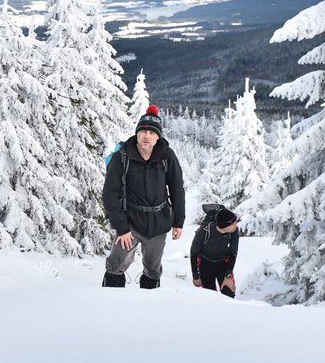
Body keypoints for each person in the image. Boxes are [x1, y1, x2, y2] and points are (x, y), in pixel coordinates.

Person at [101, 106, 185, 289]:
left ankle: (149, 306)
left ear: (158, 137)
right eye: (143, 131)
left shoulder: (167, 156)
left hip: (159, 223)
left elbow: (177, 188)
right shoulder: (122, 156)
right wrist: (122, 228)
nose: (147, 136)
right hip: (131, 222)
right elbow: (110, 193)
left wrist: (179, 221)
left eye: (151, 132)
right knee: (116, 265)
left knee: (153, 269)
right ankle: (110, 303)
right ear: (137, 133)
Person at [190, 207, 239, 297]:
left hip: (223, 263)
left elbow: (233, 252)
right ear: (224, 226)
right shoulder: (204, 231)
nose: (236, 225)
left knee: (229, 293)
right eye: (233, 223)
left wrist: (228, 275)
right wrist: (195, 276)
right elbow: (193, 253)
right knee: (210, 296)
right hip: (205, 264)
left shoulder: (234, 230)